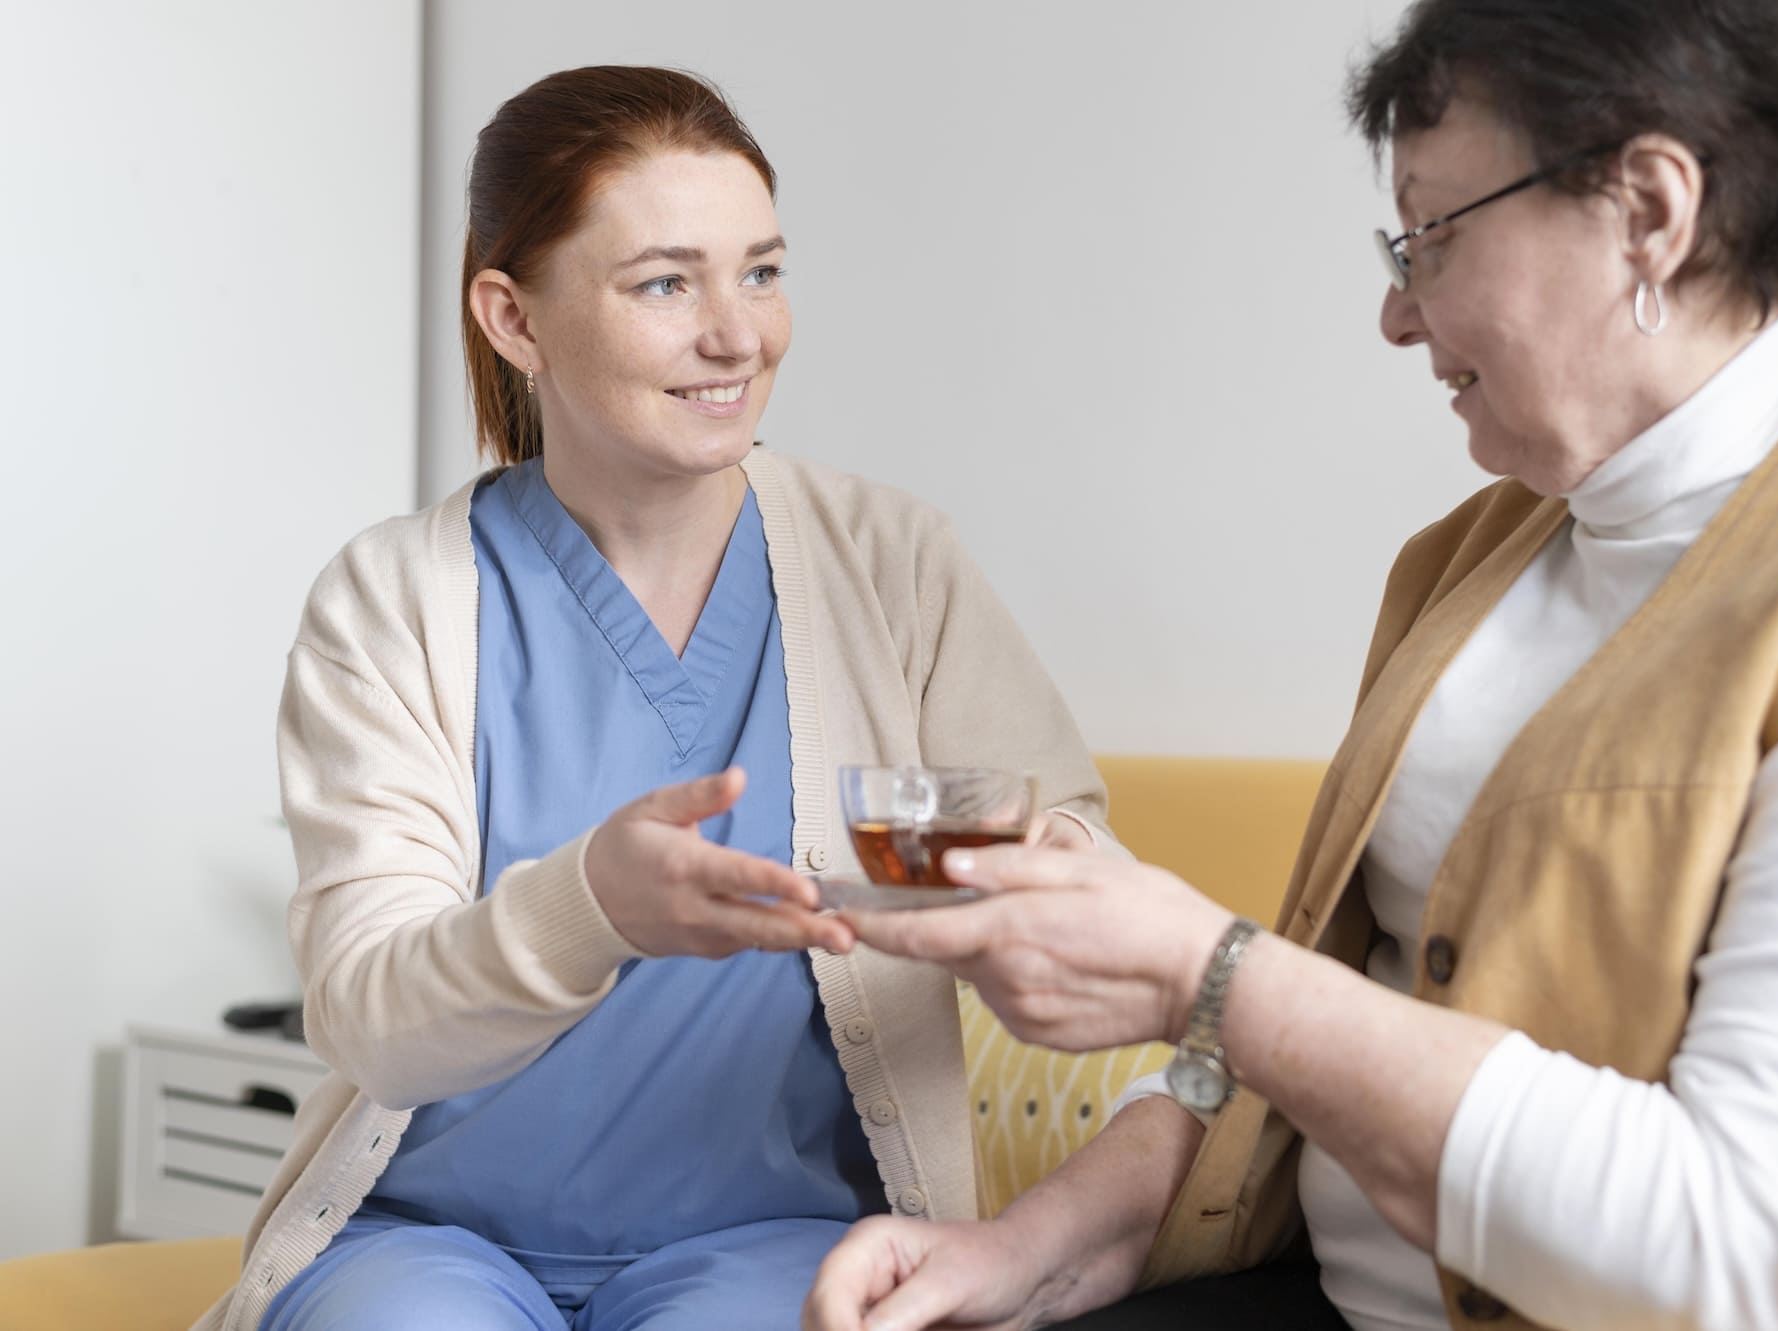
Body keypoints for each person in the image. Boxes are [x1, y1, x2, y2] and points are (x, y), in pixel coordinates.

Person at [803, 3, 1778, 1329]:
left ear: (1649, 211)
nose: (1395, 308)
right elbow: (1290, 1049)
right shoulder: (1468, 559)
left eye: (1432, 233)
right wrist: (1024, 1247)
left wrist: (1208, 969)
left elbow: (1750, 1245)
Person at [190, 66, 1111, 1331]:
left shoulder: (891, 564)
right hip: (427, 1241)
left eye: (763, 271)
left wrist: (1011, 876)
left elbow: (1073, 851)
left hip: (775, 1240)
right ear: (514, 319)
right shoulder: (392, 598)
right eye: (666, 283)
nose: (737, 335)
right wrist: (593, 908)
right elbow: (368, 1016)